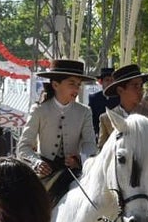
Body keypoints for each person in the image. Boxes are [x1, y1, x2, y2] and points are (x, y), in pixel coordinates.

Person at [16, 60, 97, 203]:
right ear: (55, 85)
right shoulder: (39, 110)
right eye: (72, 84)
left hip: (74, 173)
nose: (76, 89)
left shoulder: (85, 112)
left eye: (78, 85)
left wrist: (79, 159)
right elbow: (23, 147)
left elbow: (90, 144)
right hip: (44, 173)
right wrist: (36, 162)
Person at [96, 63, 148, 148]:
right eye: (135, 86)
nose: (140, 90)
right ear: (120, 90)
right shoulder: (107, 119)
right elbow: (102, 150)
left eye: (141, 85)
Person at [88, 66, 117, 137]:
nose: (110, 83)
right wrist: (96, 133)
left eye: (112, 80)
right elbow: (91, 119)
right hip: (99, 135)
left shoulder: (119, 97)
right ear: (101, 82)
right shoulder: (94, 98)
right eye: (107, 80)